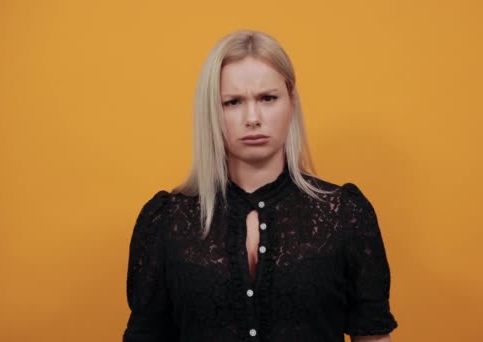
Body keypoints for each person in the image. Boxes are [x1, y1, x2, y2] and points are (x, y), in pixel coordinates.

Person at [123, 29, 398, 342]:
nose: (252, 118)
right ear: (211, 111)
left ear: (291, 103)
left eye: (268, 98)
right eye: (233, 102)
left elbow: (373, 336)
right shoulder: (165, 221)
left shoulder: (345, 214)